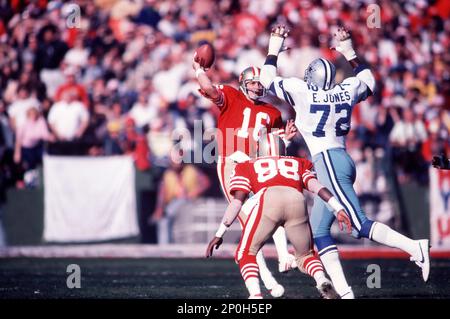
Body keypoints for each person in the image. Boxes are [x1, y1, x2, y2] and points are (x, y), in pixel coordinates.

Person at [259, 25, 430, 298]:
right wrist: (349, 50)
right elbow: (370, 82)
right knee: (319, 231)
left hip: (326, 161)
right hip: (341, 159)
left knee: (358, 223)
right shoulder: (346, 89)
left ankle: (414, 247)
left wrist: (274, 45)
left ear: (310, 77)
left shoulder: (301, 90)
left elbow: (266, 79)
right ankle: (345, 294)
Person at [193, 57, 297, 298]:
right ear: (243, 83)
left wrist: (288, 139)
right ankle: (267, 281)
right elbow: (208, 88)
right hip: (231, 163)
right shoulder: (230, 95)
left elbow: (274, 145)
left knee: (274, 207)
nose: (258, 86)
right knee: (249, 222)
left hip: (257, 166)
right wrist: (199, 70)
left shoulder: (272, 112)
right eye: (253, 82)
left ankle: (282, 258)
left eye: (260, 83)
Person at [206, 134, 352, 299]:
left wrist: (220, 233)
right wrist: (338, 208)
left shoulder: (247, 165)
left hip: (269, 198)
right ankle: (321, 279)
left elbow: (237, 203)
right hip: (297, 199)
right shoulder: (298, 163)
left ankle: (255, 296)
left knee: (245, 252)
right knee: (306, 255)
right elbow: (318, 188)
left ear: (259, 150)